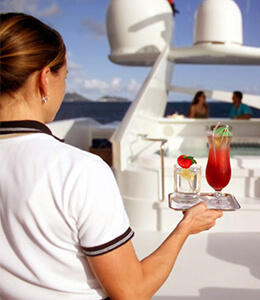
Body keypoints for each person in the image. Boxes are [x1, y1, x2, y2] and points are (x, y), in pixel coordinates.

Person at [0, 13, 222, 300]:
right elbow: (131, 292)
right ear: (45, 80)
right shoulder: (80, 172)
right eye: (63, 77)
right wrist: (186, 227)